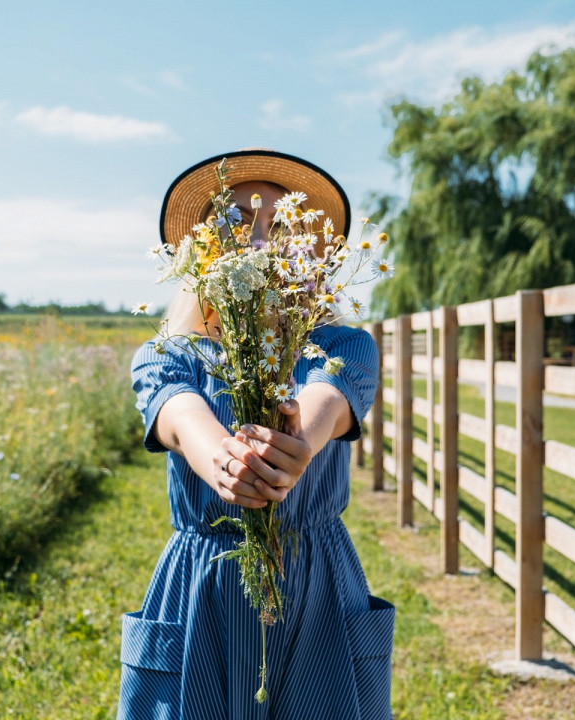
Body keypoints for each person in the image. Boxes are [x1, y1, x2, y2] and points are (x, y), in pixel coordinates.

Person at [117, 149, 395, 720]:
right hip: (204, 589)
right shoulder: (169, 353)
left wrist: (297, 444)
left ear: (314, 251)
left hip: (316, 589)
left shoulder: (343, 346)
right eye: (238, 221)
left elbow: (327, 402)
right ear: (205, 253)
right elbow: (178, 410)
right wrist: (219, 455)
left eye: (284, 225)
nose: (262, 241)